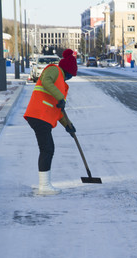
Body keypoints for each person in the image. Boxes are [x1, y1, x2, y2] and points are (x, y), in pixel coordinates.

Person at [24, 48, 78, 195]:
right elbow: (46, 82)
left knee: (47, 148)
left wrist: (69, 125)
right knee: (47, 148)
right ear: (66, 70)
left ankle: (45, 185)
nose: (70, 77)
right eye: (70, 74)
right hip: (38, 114)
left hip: (43, 116)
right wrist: (60, 97)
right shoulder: (54, 70)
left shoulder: (62, 83)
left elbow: (59, 110)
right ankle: (44, 186)